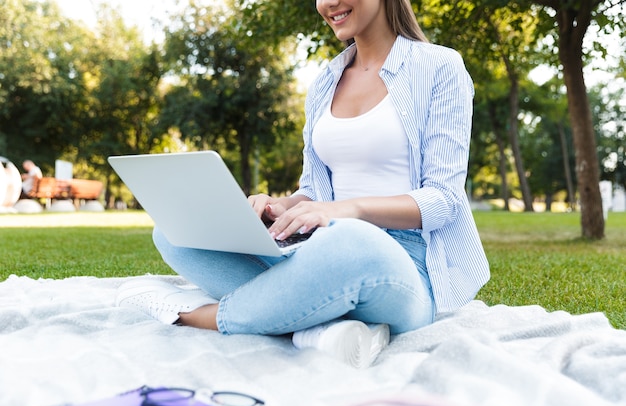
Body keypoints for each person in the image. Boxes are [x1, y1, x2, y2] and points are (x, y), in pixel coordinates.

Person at [117, 0, 489, 365]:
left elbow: (444, 201)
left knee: (351, 240)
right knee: (178, 230)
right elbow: (313, 189)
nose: (329, 3)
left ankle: (195, 315)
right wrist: (279, 207)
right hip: (318, 247)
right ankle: (319, 325)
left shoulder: (440, 66)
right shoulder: (326, 81)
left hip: (403, 263)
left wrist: (346, 211)